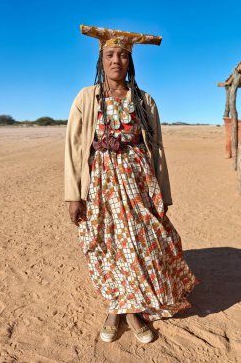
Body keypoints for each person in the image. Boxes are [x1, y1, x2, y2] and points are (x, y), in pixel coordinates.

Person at [64, 24, 200, 344]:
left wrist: (162, 193)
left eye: (123, 55)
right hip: (100, 184)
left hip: (139, 184)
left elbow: (158, 149)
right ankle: (120, 309)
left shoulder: (144, 100)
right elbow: (72, 147)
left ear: (130, 62)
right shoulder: (87, 98)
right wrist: (73, 195)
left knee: (140, 243)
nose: (116, 61)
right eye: (110, 55)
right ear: (101, 60)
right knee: (109, 246)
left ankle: (132, 309)